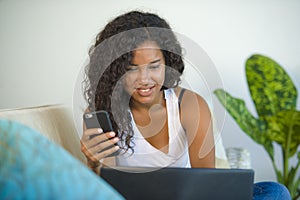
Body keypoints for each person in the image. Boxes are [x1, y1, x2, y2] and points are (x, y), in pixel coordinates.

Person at [80, 10, 291, 200]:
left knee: (275, 191)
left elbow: (209, 187)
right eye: (131, 68)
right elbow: (106, 192)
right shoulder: (102, 113)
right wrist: (93, 164)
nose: (144, 79)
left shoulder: (189, 106)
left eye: (154, 66)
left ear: (167, 63)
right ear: (115, 72)